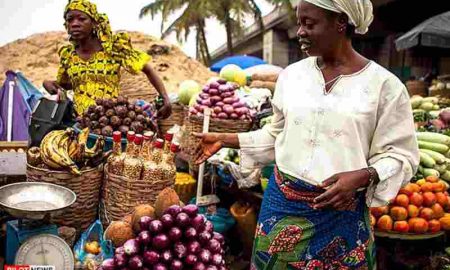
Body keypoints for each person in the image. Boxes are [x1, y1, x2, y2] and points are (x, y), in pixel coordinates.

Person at [194, 0, 419, 268]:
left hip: (340, 213)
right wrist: (224, 139)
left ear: (341, 22)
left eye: (309, 24)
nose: (300, 31)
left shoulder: (385, 86)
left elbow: (402, 155)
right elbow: (276, 135)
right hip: (281, 208)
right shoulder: (292, 77)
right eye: (299, 23)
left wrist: (362, 176)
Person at [43, 0, 171, 118]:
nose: (75, 24)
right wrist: (48, 83)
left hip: (110, 119)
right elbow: (68, 84)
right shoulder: (68, 55)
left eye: (82, 19)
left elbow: (148, 69)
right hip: (80, 120)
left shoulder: (113, 49)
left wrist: (164, 97)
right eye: (70, 20)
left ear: (94, 23)